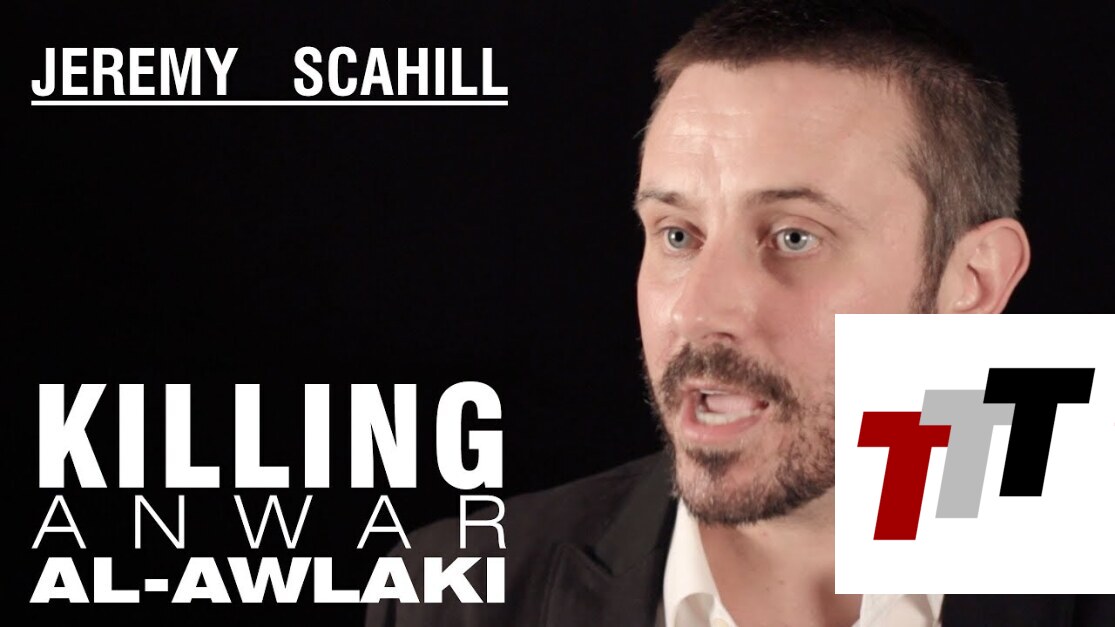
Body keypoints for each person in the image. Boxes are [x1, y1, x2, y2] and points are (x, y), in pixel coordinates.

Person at [366, 1, 1115, 625]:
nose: (696, 312)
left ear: (971, 281)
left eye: (794, 237)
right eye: (677, 234)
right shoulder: (451, 592)